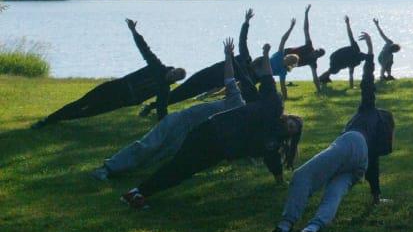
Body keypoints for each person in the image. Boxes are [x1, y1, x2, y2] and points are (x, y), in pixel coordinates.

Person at [122, 42, 303, 209]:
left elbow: (272, 161)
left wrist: (280, 181)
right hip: (211, 129)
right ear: (287, 117)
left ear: (291, 135)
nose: (289, 125)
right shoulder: (270, 106)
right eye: (291, 122)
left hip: (220, 149)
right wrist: (259, 55)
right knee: (178, 164)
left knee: (183, 170)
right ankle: (139, 192)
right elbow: (260, 77)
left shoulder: (272, 141)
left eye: (292, 128)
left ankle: (138, 192)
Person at [266, 32, 394, 232]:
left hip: (351, 142)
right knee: (334, 193)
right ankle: (311, 231)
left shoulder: (370, 111)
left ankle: (284, 227)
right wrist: (376, 195)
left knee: (302, 176)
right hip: (359, 165)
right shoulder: (378, 135)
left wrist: (371, 52)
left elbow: (368, 82)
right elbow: (374, 165)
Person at [94, 40, 245, 181]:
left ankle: (121, 171)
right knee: (148, 146)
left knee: (158, 156)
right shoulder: (236, 99)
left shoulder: (242, 112)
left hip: (188, 133)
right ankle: (108, 167)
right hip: (179, 120)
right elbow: (230, 77)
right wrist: (228, 57)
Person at [34, 19, 184, 127]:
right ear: (172, 69)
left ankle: (61, 119)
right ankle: (48, 120)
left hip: (122, 100)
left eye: (175, 76)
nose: (173, 74)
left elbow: (162, 109)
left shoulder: (165, 90)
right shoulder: (156, 66)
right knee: (83, 102)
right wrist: (134, 31)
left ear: (174, 80)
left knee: (89, 112)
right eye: (174, 72)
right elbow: (145, 49)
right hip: (117, 86)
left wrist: (166, 126)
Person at [284, 5, 326, 94]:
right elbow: (306, 29)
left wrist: (319, 90)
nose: (315, 52)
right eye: (317, 50)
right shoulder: (309, 46)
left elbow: (315, 77)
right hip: (285, 53)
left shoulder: (313, 62)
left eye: (318, 53)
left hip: (287, 65)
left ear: (318, 56)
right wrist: (306, 14)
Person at [321, 15, 367, 88]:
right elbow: (350, 35)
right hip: (337, 57)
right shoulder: (356, 58)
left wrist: (347, 23)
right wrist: (348, 24)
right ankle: (319, 79)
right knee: (333, 70)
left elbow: (351, 73)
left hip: (337, 57)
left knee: (333, 70)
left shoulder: (356, 51)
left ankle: (324, 79)